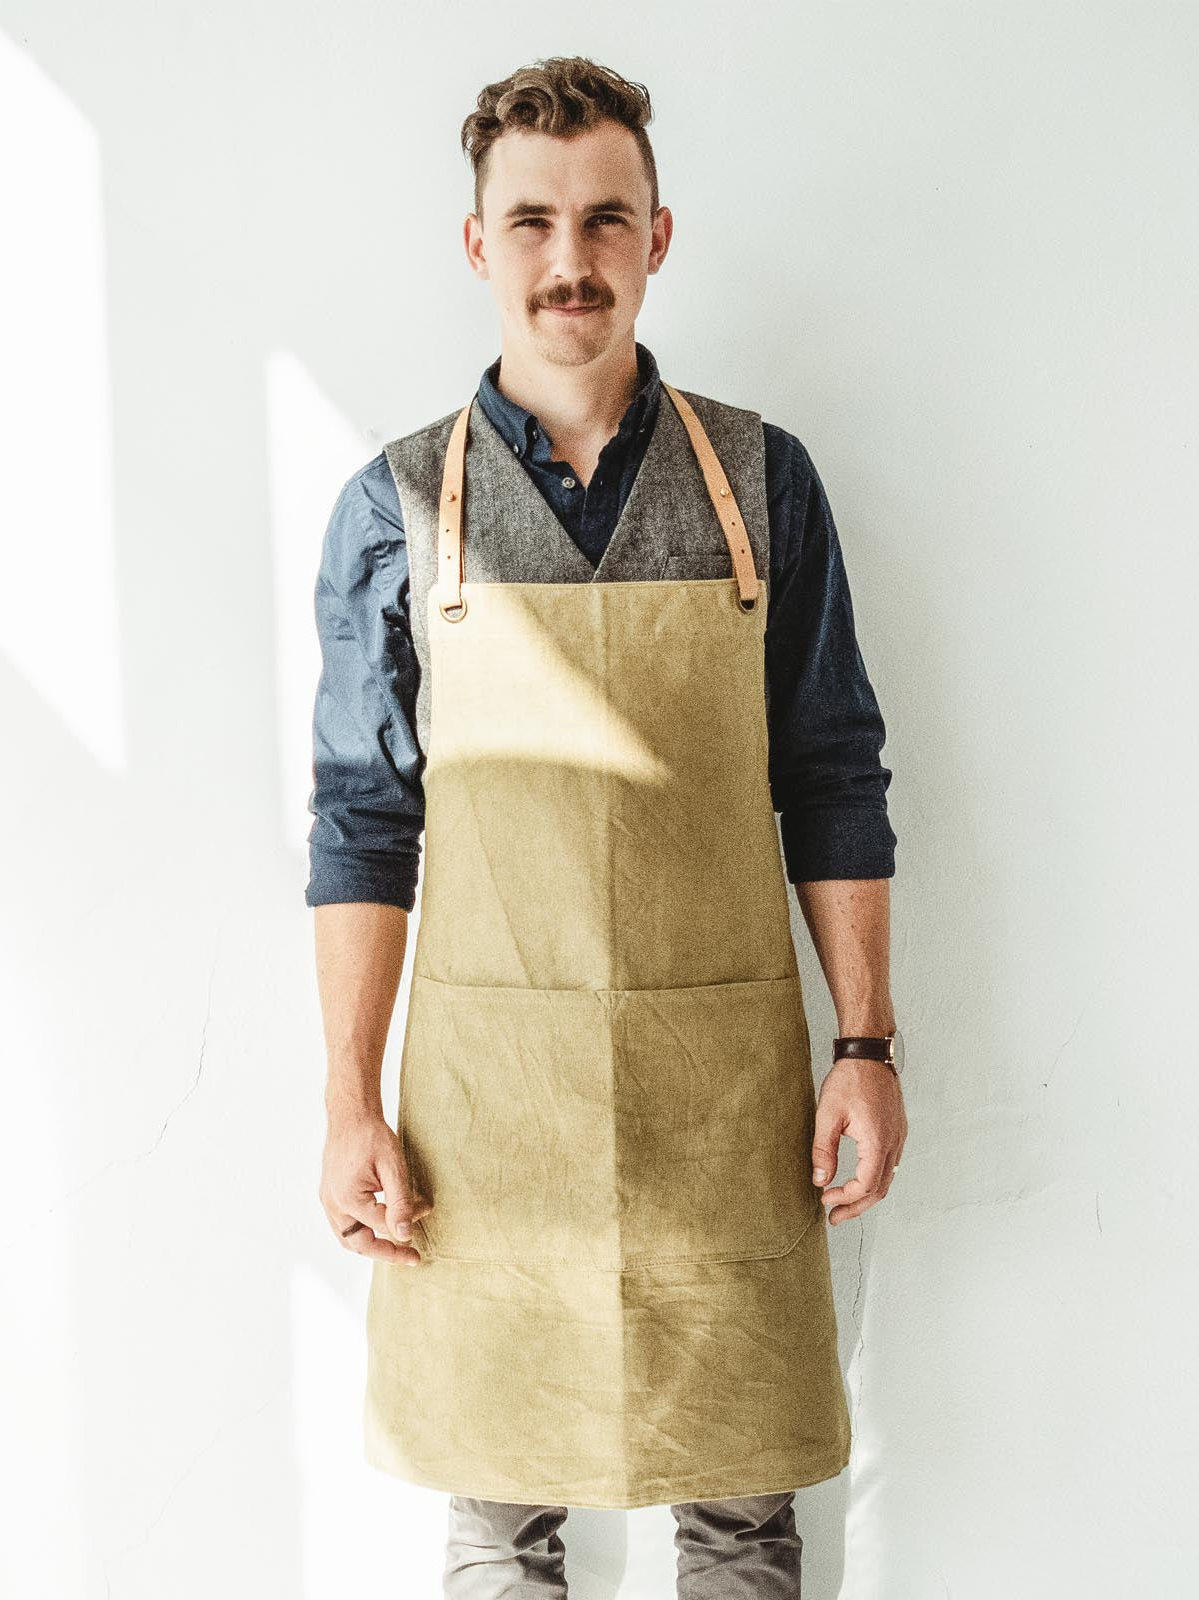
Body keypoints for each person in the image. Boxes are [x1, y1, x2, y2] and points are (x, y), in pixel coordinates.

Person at [307, 53, 907, 1599]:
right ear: (477, 243)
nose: (568, 260)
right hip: (482, 1112)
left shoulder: (762, 482)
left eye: (603, 219)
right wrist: (348, 1100)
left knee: (741, 1516)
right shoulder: (397, 506)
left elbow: (833, 771)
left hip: (724, 1096)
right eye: (531, 222)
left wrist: (866, 1043)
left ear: (657, 234)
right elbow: (364, 820)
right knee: (501, 1527)